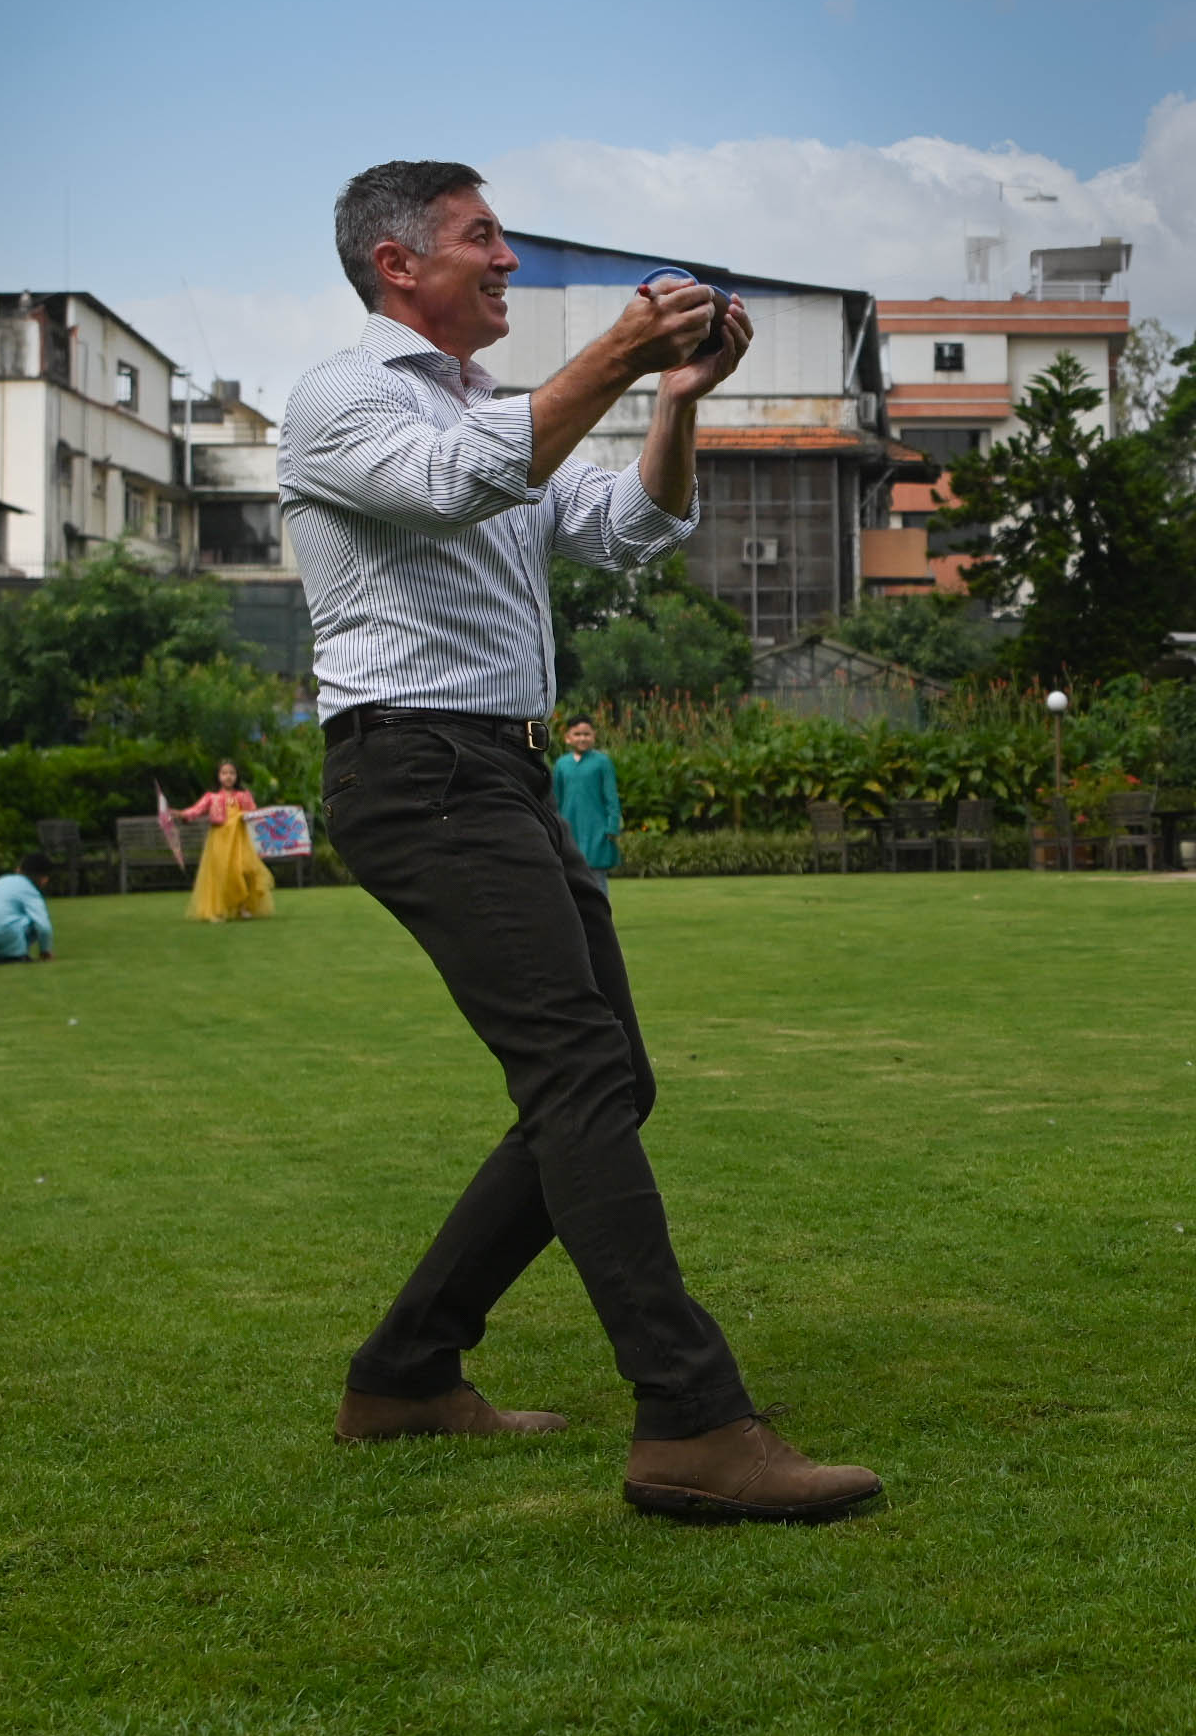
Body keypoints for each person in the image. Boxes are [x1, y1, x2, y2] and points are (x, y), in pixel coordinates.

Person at [284, 159, 882, 1522]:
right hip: (417, 764)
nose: (507, 261)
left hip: (497, 770)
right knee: (576, 1072)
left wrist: (675, 397)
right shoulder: (343, 398)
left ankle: (406, 1370)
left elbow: (629, 524)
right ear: (396, 263)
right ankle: (690, 1418)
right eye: (481, 237)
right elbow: (454, 485)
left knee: (607, 1076)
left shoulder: (493, 406)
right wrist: (622, 346)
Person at [161, 758, 277, 923]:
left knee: (244, 870)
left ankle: (243, 906)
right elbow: (197, 810)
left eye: (232, 773)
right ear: (218, 776)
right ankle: (218, 910)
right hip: (220, 839)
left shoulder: (243, 796)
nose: (228, 776)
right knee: (222, 873)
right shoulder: (212, 797)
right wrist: (181, 814)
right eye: (224, 773)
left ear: (237, 776)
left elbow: (254, 813)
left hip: (239, 839)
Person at [552, 717, 623, 872]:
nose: (582, 738)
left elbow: (611, 797)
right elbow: (555, 799)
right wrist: (554, 826)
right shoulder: (561, 764)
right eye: (577, 734)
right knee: (570, 873)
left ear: (594, 736)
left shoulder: (602, 762)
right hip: (569, 827)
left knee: (596, 876)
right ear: (568, 737)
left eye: (586, 734)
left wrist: (612, 826)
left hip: (597, 828)